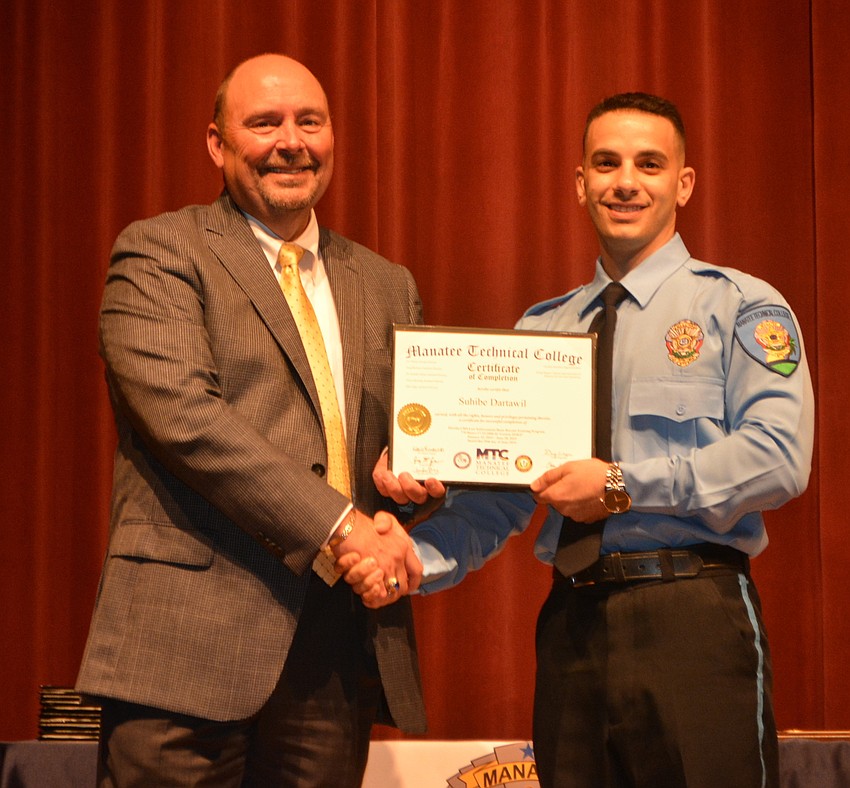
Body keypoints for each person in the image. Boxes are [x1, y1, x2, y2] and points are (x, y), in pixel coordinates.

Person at [345, 92, 814, 788]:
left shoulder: (739, 305)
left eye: (649, 164)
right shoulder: (542, 332)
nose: (626, 181)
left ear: (684, 183)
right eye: (606, 163)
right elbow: (499, 503)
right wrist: (409, 554)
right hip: (572, 625)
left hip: (695, 613)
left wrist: (621, 485)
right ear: (580, 183)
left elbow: (778, 458)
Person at [76, 53, 425, 787]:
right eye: (265, 123)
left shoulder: (387, 283)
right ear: (217, 143)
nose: (290, 142)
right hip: (185, 647)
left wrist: (416, 481)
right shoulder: (160, 252)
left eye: (309, 122)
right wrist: (343, 526)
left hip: (333, 652)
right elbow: (188, 420)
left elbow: (409, 441)